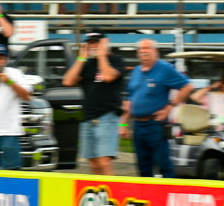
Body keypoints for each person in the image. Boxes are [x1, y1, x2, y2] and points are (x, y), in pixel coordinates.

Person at [120, 40, 193, 178]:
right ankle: (148, 197)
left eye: (147, 48)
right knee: (143, 166)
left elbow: (187, 86)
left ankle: (168, 194)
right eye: (140, 49)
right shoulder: (135, 72)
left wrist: (170, 106)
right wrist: (123, 123)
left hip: (155, 124)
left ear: (156, 51)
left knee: (163, 164)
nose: (143, 51)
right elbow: (129, 99)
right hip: (138, 125)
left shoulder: (164, 69)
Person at [62, 32, 125, 175]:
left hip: (107, 116)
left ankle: (110, 194)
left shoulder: (116, 60)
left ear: (105, 42)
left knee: (104, 160)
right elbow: (68, 81)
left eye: (96, 42)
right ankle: (99, 193)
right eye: (90, 42)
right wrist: (81, 58)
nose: (92, 46)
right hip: (88, 117)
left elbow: (109, 76)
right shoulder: (88, 64)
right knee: (93, 161)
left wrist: (102, 55)